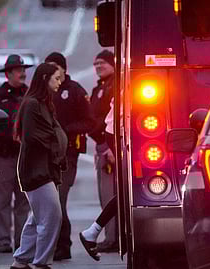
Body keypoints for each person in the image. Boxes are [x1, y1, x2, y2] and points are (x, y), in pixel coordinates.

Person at [10, 63, 66, 269]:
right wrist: (55, 139)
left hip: (44, 168)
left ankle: (21, 259)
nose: (60, 83)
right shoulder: (32, 104)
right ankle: (41, 262)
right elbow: (33, 137)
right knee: (51, 215)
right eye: (56, 78)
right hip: (35, 169)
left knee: (38, 217)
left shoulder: (43, 103)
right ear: (44, 78)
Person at [44, 52, 95, 260]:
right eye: (48, 66)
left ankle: (63, 244)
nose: (52, 70)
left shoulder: (74, 91)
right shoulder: (43, 92)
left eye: (55, 66)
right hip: (47, 155)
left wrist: (66, 129)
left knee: (59, 199)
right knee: (48, 201)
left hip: (69, 155)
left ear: (64, 68)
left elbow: (89, 121)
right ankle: (50, 244)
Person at [0, 54, 32, 253]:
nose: (22, 73)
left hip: (25, 156)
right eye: (18, 70)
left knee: (23, 202)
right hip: (4, 156)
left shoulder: (30, 94)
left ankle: (21, 241)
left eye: (23, 70)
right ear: (8, 74)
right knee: (2, 201)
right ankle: (3, 241)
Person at [88, 49, 118, 253]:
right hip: (101, 146)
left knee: (110, 194)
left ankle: (112, 239)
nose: (99, 67)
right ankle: (111, 236)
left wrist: (108, 147)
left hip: (108, 147)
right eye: (96, 64)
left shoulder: (115, 86)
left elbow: (110, 120)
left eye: (103, 63)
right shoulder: (100, 87)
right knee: (104, 194)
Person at [79, 103, 119, 261]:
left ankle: (92, 232)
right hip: (118, 132)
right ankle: (92, 232)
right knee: (129, 192)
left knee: (127, 193)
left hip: (116, 131)